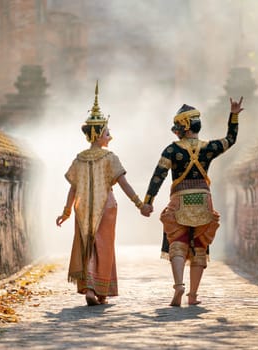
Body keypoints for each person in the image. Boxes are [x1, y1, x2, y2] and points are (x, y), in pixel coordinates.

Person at [140, 97, 244, 306]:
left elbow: (157, 176)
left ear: (184, 127)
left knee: (177, 242)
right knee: (199, 245)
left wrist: (148, 201)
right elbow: (230, 140)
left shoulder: (172, 150)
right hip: (203, 200)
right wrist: (233, 115)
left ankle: (179, 286)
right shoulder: (209, 147)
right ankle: (193, 296)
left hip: (180, 199)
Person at [56, 82, 144, 306]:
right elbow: (123, 183)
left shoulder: (79, 158)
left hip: (82, 207)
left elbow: (73, 188)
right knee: (103, 245)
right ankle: (96, 289)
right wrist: (139, 204)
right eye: (107, 132)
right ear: (98, 134)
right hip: (106, 207)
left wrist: (66, 212)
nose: (110, 137)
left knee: (89, 244)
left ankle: (91, 288)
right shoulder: (109, 157)